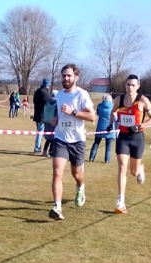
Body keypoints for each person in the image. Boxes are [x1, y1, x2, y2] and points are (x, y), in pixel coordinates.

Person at [49, 64, 95, 220]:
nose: (66, 78)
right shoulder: (59, 95)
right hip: (60, 138)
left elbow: (92, 117)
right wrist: (56, 119)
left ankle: (80, 186)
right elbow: (60, 114)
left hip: (77, 141)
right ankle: (57, 207)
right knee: (57, 173)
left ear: (76, 77)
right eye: (63, 75)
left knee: (76, 173)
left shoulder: (82, 94)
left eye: (69, 75)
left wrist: (73, 111)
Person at [109, 74, 151, 214]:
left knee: (133, 172)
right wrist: (112, 122)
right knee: (122, 167)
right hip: (123, 137)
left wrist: (139, 126)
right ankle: (121, 201)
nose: (130, 87)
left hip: (137, 138)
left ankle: (140, 169)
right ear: (125, 85)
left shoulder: (143, 100)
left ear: (138, 86)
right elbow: (113, 112)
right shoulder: (119, 99)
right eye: (128, 84)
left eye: (133, 85)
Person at [89, 94, 115, 163]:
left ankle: (91, 158)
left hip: (100, 127)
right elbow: (115, 117)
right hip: (109, 128)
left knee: (96, 143)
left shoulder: (99, 106)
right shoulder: (113, 106)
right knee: (108, 145)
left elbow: (98, 113)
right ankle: (107, 160)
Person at [33, 78, 50, 153]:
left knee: (39, 132)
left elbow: (34, 101)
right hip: (43, 116)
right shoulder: (45, 93)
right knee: (40, 132)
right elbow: (48, 104)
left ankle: (38, 146)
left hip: (37, 114)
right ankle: (37, 148)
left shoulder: (37, 91)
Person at [42, 90, 58, 158]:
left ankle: (44, 151)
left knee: (48, 137)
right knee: (53, 137)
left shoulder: (47, 101)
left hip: (46, 120)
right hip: (53, 121)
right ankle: (51, 152)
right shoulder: (56, 102)